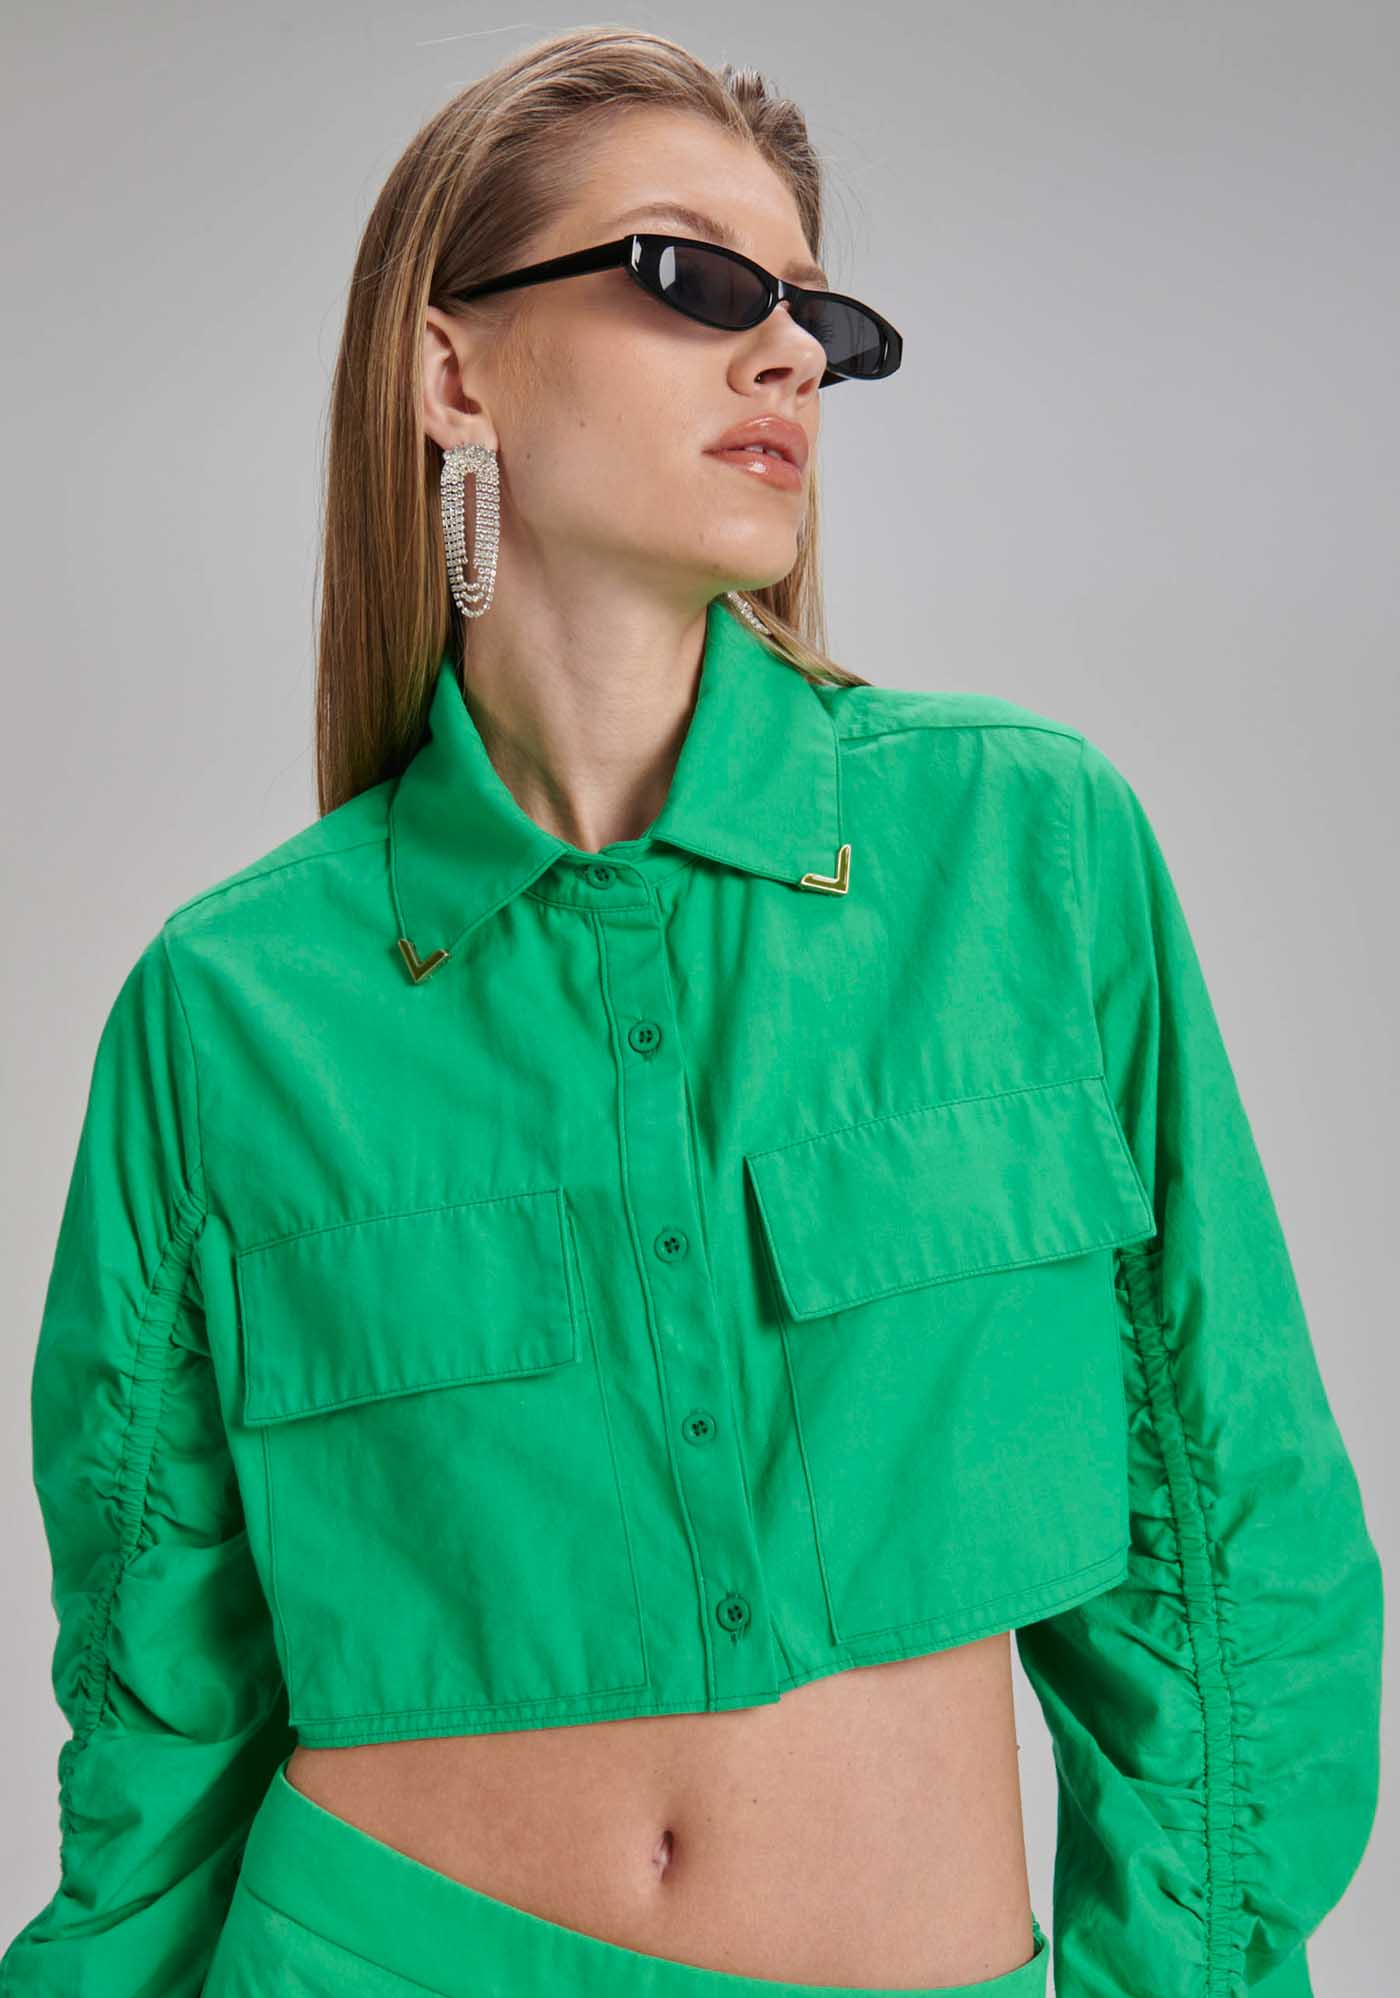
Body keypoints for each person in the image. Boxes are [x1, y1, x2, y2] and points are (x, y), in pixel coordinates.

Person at [2, 26, 1383, 1998]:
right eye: (695, 278)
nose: (790, 353)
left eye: (816, 312)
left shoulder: (1025, 853)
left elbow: (1228, 1533)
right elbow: (161, 1705)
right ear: (453, 372)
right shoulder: (228, 1011)